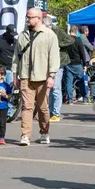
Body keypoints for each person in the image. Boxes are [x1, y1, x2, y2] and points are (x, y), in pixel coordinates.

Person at [12, 8, 59, 146]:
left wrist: (51, 75)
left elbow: (54, 57)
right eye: (27, 17)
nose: (28, 19)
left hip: (43, 77)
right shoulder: (22, 35)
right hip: (26, 75)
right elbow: (16, 56)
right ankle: (25, 135)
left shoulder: (50, 35)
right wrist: (15, 75)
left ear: (39, 18)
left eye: (30, 17)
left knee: (43, 107)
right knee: (27, 107)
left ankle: (44, 132)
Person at [47, 16, 73, 120]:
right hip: (49, 62)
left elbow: (71, 40)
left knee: (56, 88)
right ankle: (50, 112)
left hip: (59, 61)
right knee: (49, 88)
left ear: (50, 25)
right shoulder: (44, 32)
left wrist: (59, 44)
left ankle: (56, 113)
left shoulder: (58, 31)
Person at [62, 26, 88, 106]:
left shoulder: (66, 40)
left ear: (70, 31)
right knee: (81, 81)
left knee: (69, 82)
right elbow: (82, 52)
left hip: (68, 63)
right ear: (76, 32)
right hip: (77, 63)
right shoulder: (78, 40)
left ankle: (70, 100)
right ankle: (85, 98)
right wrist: (84, 63)